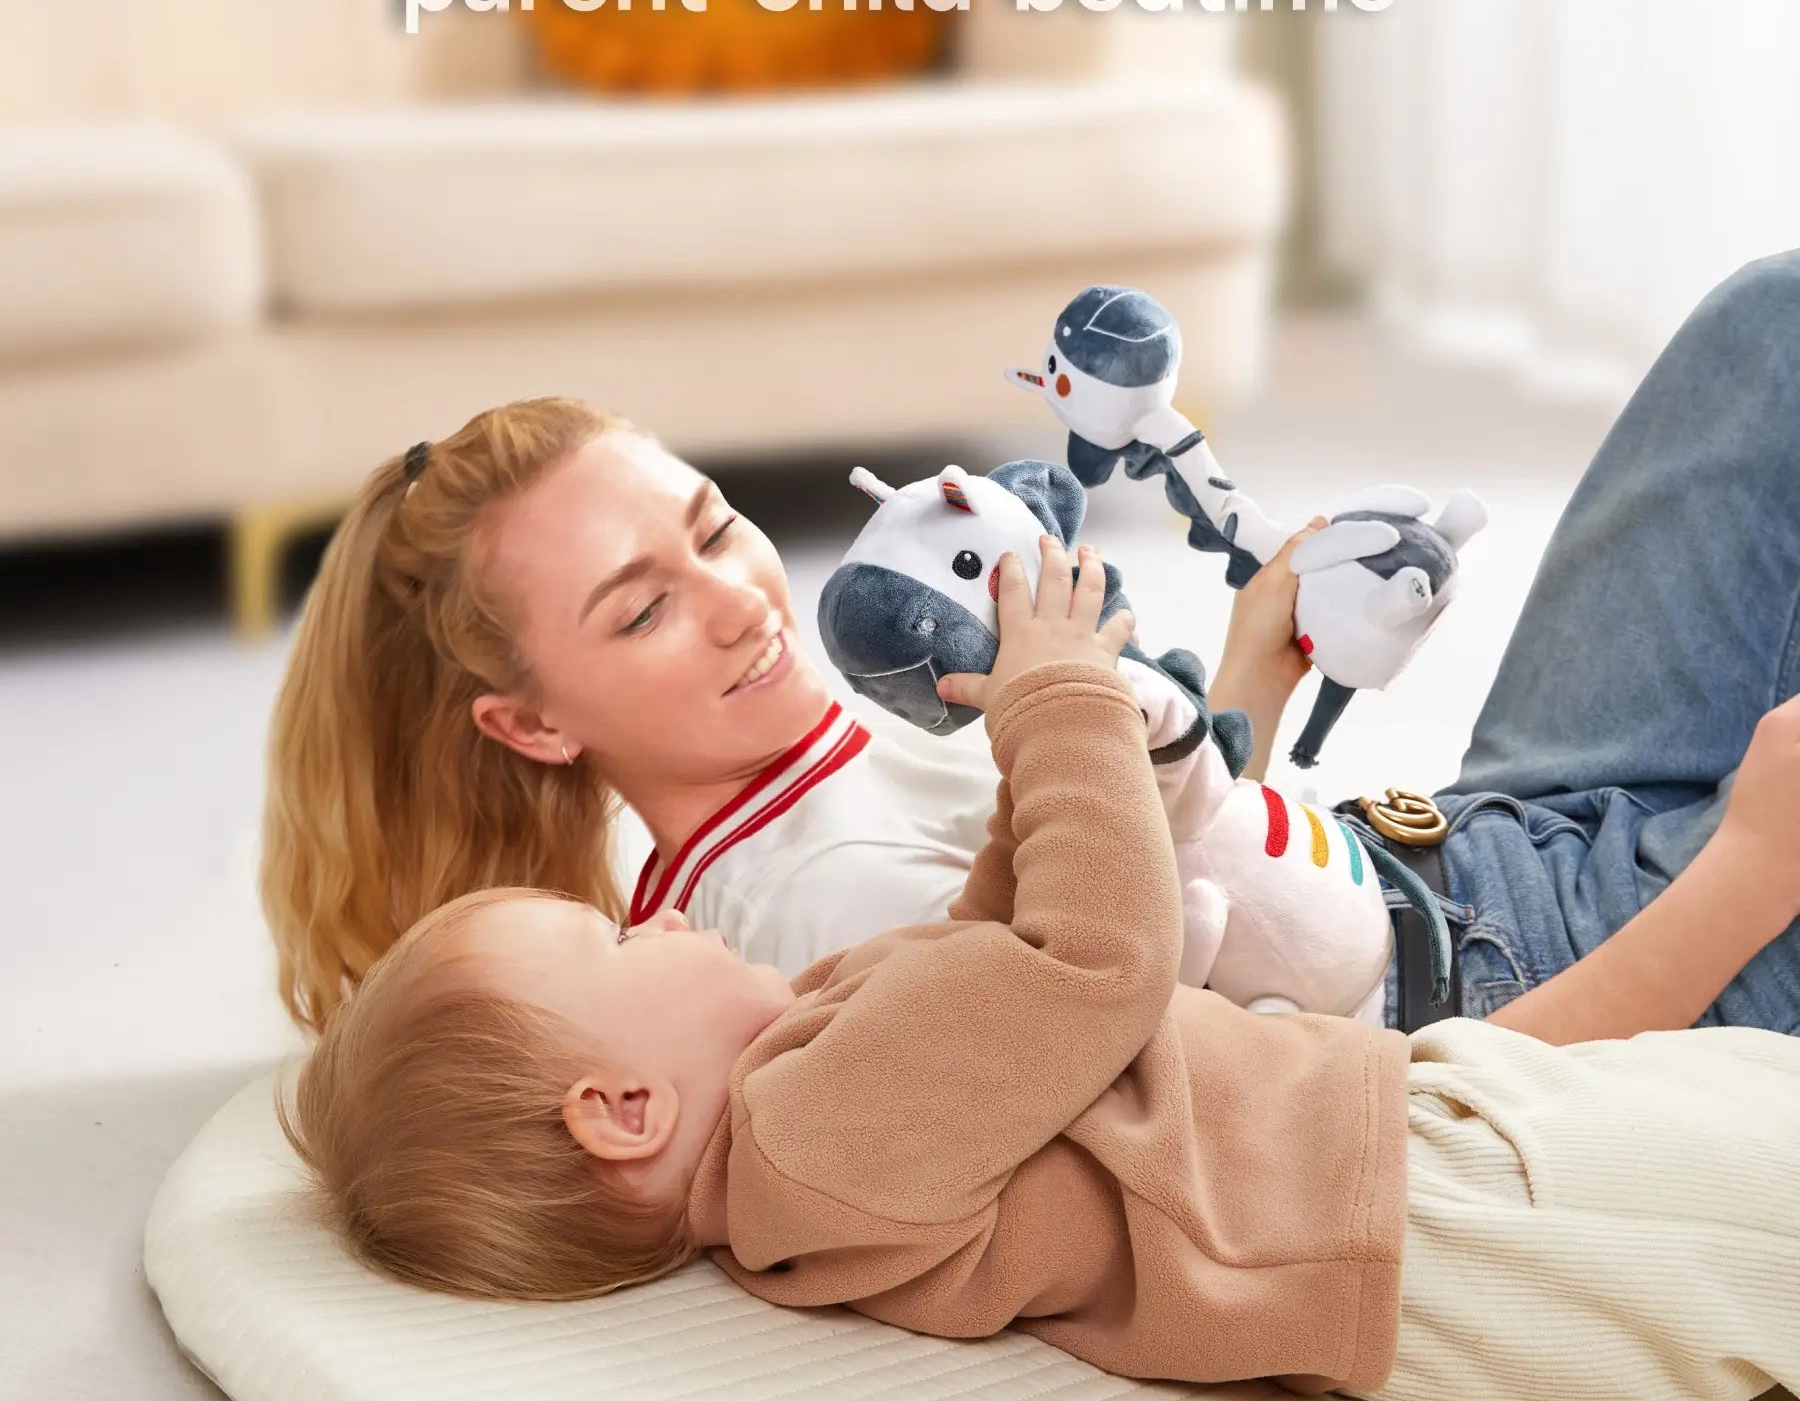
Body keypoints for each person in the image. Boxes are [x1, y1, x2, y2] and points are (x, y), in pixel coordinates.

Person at [279, 537, 1800, 1401]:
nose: (654, 925)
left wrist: (1041, 774)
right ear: (622, 1110)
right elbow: (1100, 969)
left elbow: (1002, 966)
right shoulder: (807, 1139)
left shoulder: (817, 1105)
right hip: (1444, 1219)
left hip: (1418, 1150)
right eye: (616, 949)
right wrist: (1056, 699)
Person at [262, 250, 1800, 1041]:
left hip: (1456, 839)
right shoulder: (823, 912)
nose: (741, 599)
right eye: (642, 607)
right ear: (528, 725)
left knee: (1769, 323)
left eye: (715, 528)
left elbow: (1178, 833)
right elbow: (1332, 1109)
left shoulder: (820, 751)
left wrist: (1257, 653)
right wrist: (1742, 880)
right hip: (1545, 979)